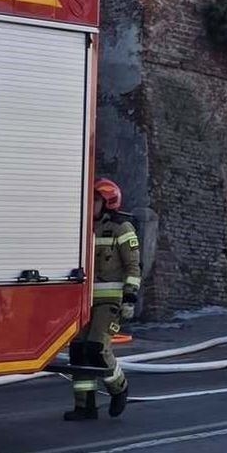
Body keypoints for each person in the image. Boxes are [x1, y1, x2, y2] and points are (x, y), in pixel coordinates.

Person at [67, 177, 139, 421]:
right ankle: (85, 406)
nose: (91, 204)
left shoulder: (122, 228)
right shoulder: (84, 226)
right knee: (78, 350)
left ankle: (119, 388)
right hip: (84, 301)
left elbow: (133, 266)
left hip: (110, 301)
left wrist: (129, 298)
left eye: (96, 200)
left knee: (97, 347)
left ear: (108, 202)